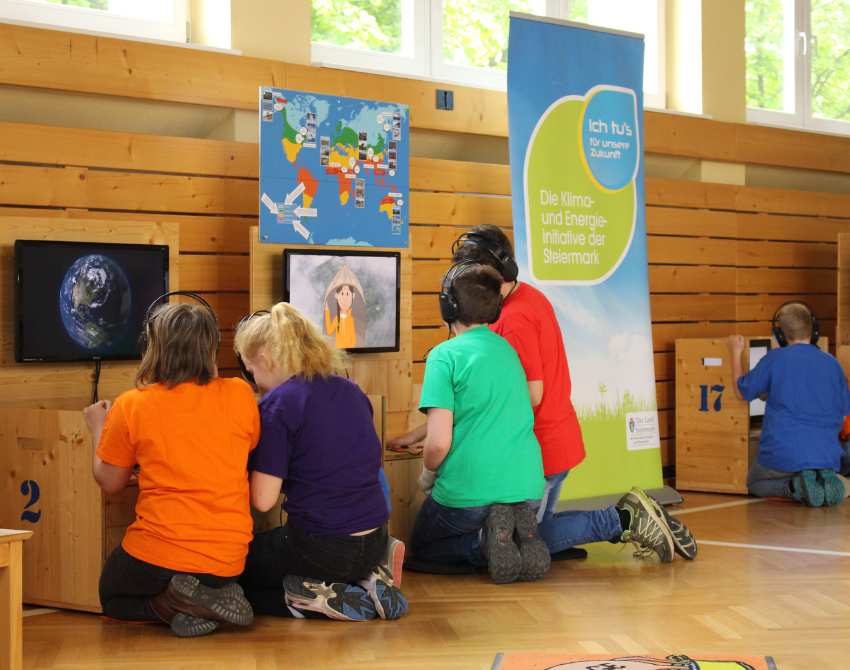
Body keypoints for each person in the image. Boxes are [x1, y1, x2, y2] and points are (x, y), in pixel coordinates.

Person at [391, 225, 695, 564]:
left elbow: (530, 393)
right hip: (545, 439)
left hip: (539, 441)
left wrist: (453, 430)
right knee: (524, 534)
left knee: (524, 542)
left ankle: (623, 519)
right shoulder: (524, 298)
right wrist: (426, 429)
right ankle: (625, 518)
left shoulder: (514, 318)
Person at [84, 298, 259, 638]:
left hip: (159, 554)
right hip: (228, 561)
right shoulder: (241, 394)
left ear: (156, 347)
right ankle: (198, 601)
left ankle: (170, 603)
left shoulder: (132, 404)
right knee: (198, 573)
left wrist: (97, 429)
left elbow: (110, 481)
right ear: (210, 346)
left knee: (112, 596)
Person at [234, 302, 407, 621]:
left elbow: (263, 499)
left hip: (321, 548)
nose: (253, 381)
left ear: (266, 359)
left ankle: (311, 600)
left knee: (236, 573)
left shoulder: (278, 405)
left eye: (251, 370)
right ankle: (368, 578)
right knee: (321, 555)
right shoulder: (351, 390)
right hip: (374, 539)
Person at [409, 261, 550, 584]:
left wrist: (427, 474)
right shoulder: (508, 350)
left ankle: (484, 543)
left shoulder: (444, 356)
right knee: (494, 516)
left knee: (424, 547)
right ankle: (512, 536)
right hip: (527, 488)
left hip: (469, 494)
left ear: (448, 306)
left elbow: (439, 443)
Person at [729, 301, 850, 507]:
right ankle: (824, 478)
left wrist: (734, 352)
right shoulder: (831, 362)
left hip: (783, 456)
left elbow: (742, 391)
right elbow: (843, 411)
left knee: (754, 482)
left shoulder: (775, 359)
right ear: (813, 331)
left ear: (780, 335)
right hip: (827, 455)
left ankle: (794, 486)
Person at [324, 264, 366, 348]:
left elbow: (355, 338)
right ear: (337, 296)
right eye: (342, 293)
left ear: (352, 296)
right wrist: (327, 312)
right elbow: (329, 331)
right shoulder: (336, 319)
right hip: (339, 352)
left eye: (347, 294)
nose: (345, 298)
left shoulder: (352, 319)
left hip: (352, 350)